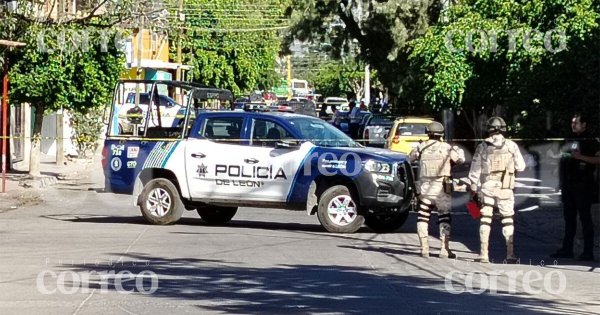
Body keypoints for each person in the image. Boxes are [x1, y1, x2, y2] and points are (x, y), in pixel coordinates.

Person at [468, 117, 526, 263]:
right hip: (505, 187)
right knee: (507, 220)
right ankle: (510, 254)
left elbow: (474, 172)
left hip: (487, 187)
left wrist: (473, 188)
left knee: (485, 220)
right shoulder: (511, 146)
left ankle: (483, 254)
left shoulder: (482, 146)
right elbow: (521, 166)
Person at [409, 121, 465, 258]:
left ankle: (424, 248)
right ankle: (444, 249)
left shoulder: (420, 147)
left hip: (425, 188)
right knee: (444, 218)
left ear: (428, 133)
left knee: (423, 216)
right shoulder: (447, 148)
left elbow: (409, 159)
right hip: (442, 188)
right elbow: (460, 160)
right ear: (441, 134)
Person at [550, 113, 600, 261]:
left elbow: (598, 159)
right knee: (569, 219)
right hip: (568, 184)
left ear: (584, 125)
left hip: (583, 185)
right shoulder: (569, 138)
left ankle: (588, 251)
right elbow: (565, 158)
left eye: (576, 123)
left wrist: (581, 157)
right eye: (572, 123)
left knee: (585, 218)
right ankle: (567, 249)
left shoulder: (591, 141)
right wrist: (559, 181)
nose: (573, 125)